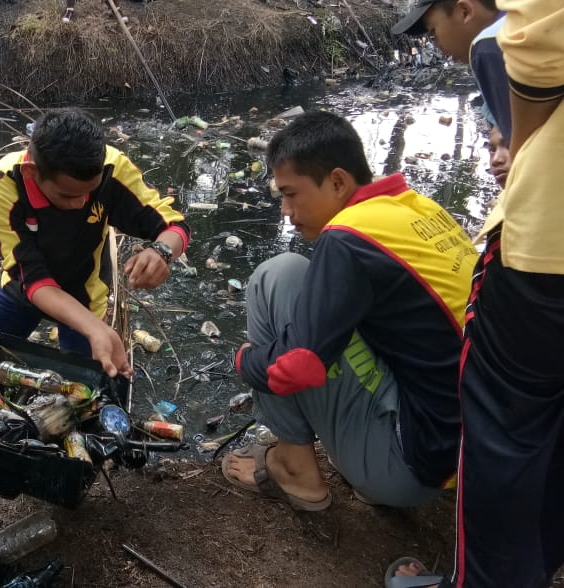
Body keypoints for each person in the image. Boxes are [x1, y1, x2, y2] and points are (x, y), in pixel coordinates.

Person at [387, 0, 564, 586]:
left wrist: (527, 142)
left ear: (462, 9)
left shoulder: (494, 41)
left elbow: (538, 45)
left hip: (544, 258)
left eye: (433, 29)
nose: (436, 44)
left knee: (498, 437)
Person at [221, 111, 477, 513]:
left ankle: (295, 470)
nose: (286, 210)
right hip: (466, 452)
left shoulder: (347, 238)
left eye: (291, 194)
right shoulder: (418, 210)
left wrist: (243, 359)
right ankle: (367, 460)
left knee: (280, 275)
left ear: (338, 181)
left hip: (411, 469)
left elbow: (297, 366)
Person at [0, 108, 189, 378]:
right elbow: (33, 278)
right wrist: (96, 328)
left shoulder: (112, 168)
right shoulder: (2, 187)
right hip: (22, 291)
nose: (80, 204)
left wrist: (162, 251)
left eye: (90, 193)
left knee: (85, 390)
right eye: (67, 195)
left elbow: (175, 226)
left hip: (86, 295)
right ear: (32, 172)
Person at [393, 0, 513, 182]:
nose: (437, 46)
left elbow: (523, 152)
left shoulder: (490, 46)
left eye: (434, 34)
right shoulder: (524, 21)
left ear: (464, 11)